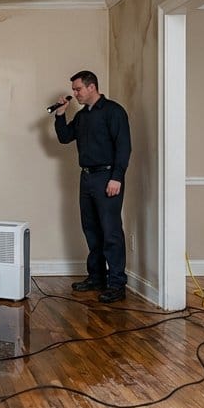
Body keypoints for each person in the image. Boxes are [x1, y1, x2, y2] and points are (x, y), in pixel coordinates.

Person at [52, 70, 131, 303]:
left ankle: (117, 284)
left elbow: (124, 147)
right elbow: (65, 137)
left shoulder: (114, 112)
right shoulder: (83, 116)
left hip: (108, 177)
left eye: (78, 89)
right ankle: (97, 277)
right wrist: (60, 115)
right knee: (91, 230)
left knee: (111, 231)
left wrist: (117, 177)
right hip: (86, 178)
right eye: (74, 90)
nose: (74, 93)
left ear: (91, 87)